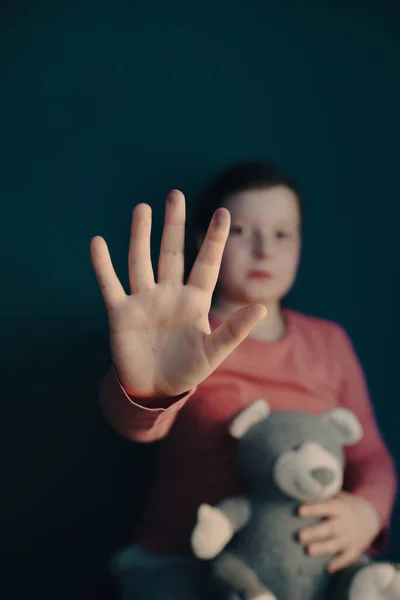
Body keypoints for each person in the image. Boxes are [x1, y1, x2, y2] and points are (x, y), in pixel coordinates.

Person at [90, 162, 397, 599]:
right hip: (181, 561)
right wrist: (150, 390)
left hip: (306, 567)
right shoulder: (176, 338)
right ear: (204, 240)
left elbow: (370, 455)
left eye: (281, 234)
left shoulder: (329, 342)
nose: (263, 251)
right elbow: (136, 425)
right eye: (240, 230)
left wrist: (368, 510)